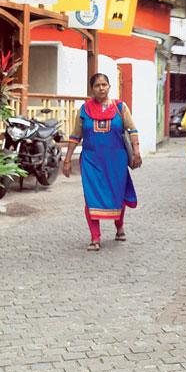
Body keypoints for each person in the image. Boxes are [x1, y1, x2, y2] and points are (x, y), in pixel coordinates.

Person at [62, 73, 142, 251]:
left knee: (117, 195)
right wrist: (67, 159)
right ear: (92, 88)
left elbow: (132, 129)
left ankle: (119, 226)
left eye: (104, 84)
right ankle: (95, 237)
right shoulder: (84, 110)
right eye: (97, 85)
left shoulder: (120, 107)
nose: (101, 88)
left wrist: (136, 151)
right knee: (91, 197)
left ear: (109, 86)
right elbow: (75, 136)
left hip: (116, 161)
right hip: (91, 160)